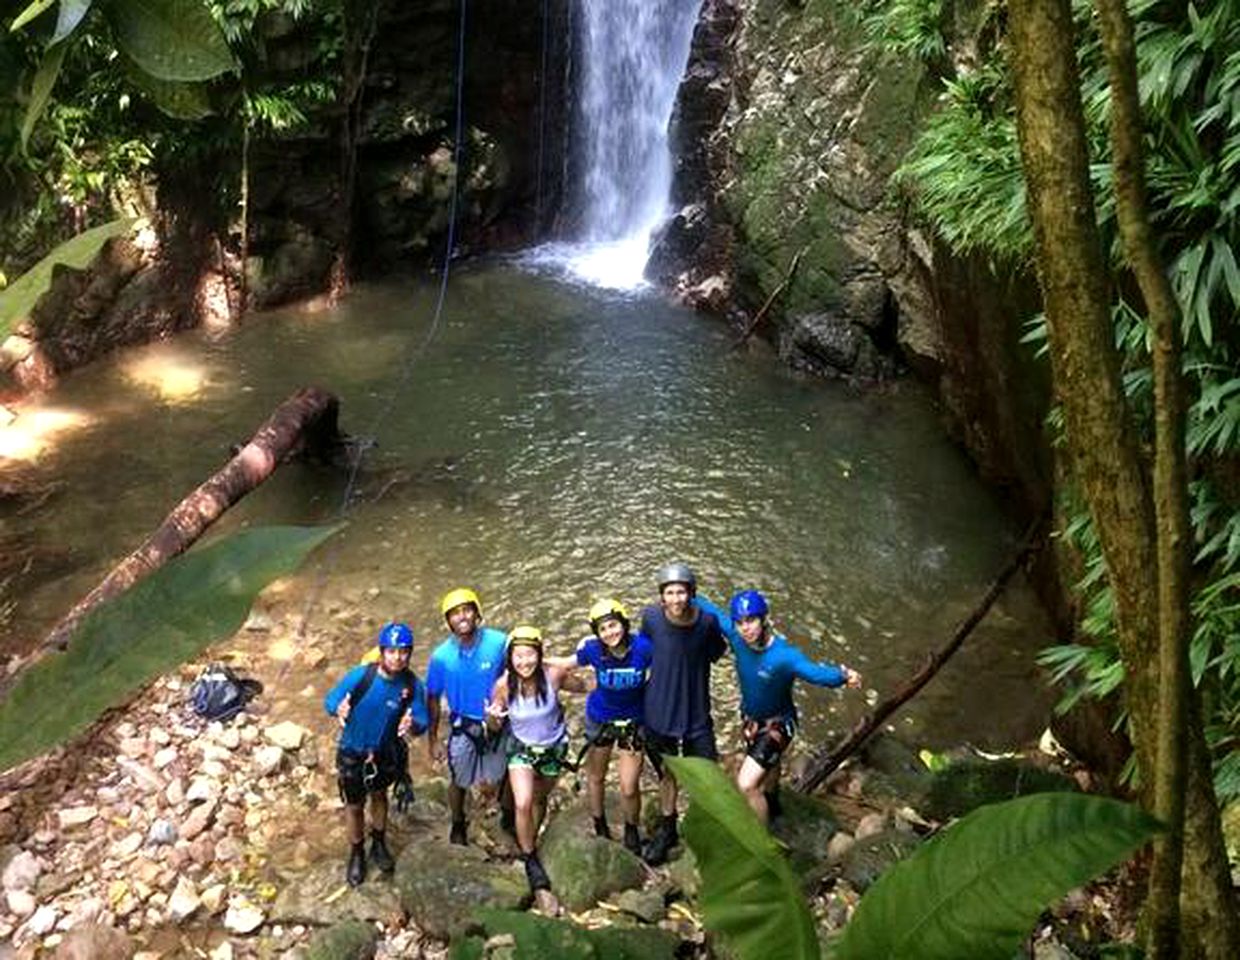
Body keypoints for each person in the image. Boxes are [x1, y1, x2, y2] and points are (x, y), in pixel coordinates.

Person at [709, 588, 862, 825]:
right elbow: (713, 612)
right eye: (740, 622)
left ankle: (761, 841)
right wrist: (686, 591)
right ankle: (773, 800)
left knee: (747, 784)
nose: (745, 628)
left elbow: (814, 672)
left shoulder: (783, 656)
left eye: (751, 620)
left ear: (763, 619)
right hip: (751, 719)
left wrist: (842, 676)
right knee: (770, 766)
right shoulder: (736, 637)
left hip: (779, 724)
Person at [324, 621, 428, 886]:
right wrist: (339, 708)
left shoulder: (412, 685)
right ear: (382, 652)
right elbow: (330, 699)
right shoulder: (361, 676)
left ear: (410, 653)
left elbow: (422, 719)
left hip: (385, 753)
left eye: (403, 651)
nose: (397, 657)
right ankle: (357, 851)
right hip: (353, 751)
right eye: (392, 651)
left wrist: (412, 724)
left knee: (380, 796)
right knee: (354, 805)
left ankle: (379, 842)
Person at [486, 625, 587, 899]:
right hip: (521, 748)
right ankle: (529, 856)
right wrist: (493, 718)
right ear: (510, 658)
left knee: (540, 800)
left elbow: (586, 686)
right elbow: (494, 725)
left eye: (530, 654)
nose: (524, 661)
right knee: (523, 802)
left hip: (553, 747)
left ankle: (534, 836)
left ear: (539, 654)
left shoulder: (554, 675)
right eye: (518, 656)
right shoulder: (504, 685)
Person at [639, 562, 728, 865]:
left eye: (682, 592)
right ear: (662, 596)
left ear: (692, 594)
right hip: (658, 710)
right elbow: (642, 650)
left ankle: (709, 828)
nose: (676, 599)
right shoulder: (650, 618)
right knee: (666, 772)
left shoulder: (707, 623)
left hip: (696, 712)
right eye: (670, 592)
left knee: (707, 773)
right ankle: (667, 828)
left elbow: (717, 652)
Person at [565, 598, 652, 855]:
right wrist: (526, 661)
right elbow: (565, 663)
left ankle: (631, 829)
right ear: (596, 633)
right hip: (600, 718)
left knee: (628, 786)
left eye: (613, 625)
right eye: (603, 629)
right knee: (596, 776)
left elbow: (664, 670)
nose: (610, 633)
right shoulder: (593, 650)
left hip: (634, 721)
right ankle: (599, 822)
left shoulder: (644, 648)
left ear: (624, 624)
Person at [425, 587, 511, 845]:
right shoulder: (441, 657)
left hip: (497, 721)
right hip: (464, 725)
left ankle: (507, 813)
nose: (462, 617)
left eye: (467, 610)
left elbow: (521, 668)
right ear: (448, 621)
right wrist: (433, 739)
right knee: (457, 778)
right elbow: (432, 697)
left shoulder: (499, 642)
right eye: (455, 613)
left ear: (477, 614)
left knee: (503, 772)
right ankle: (458, 822)